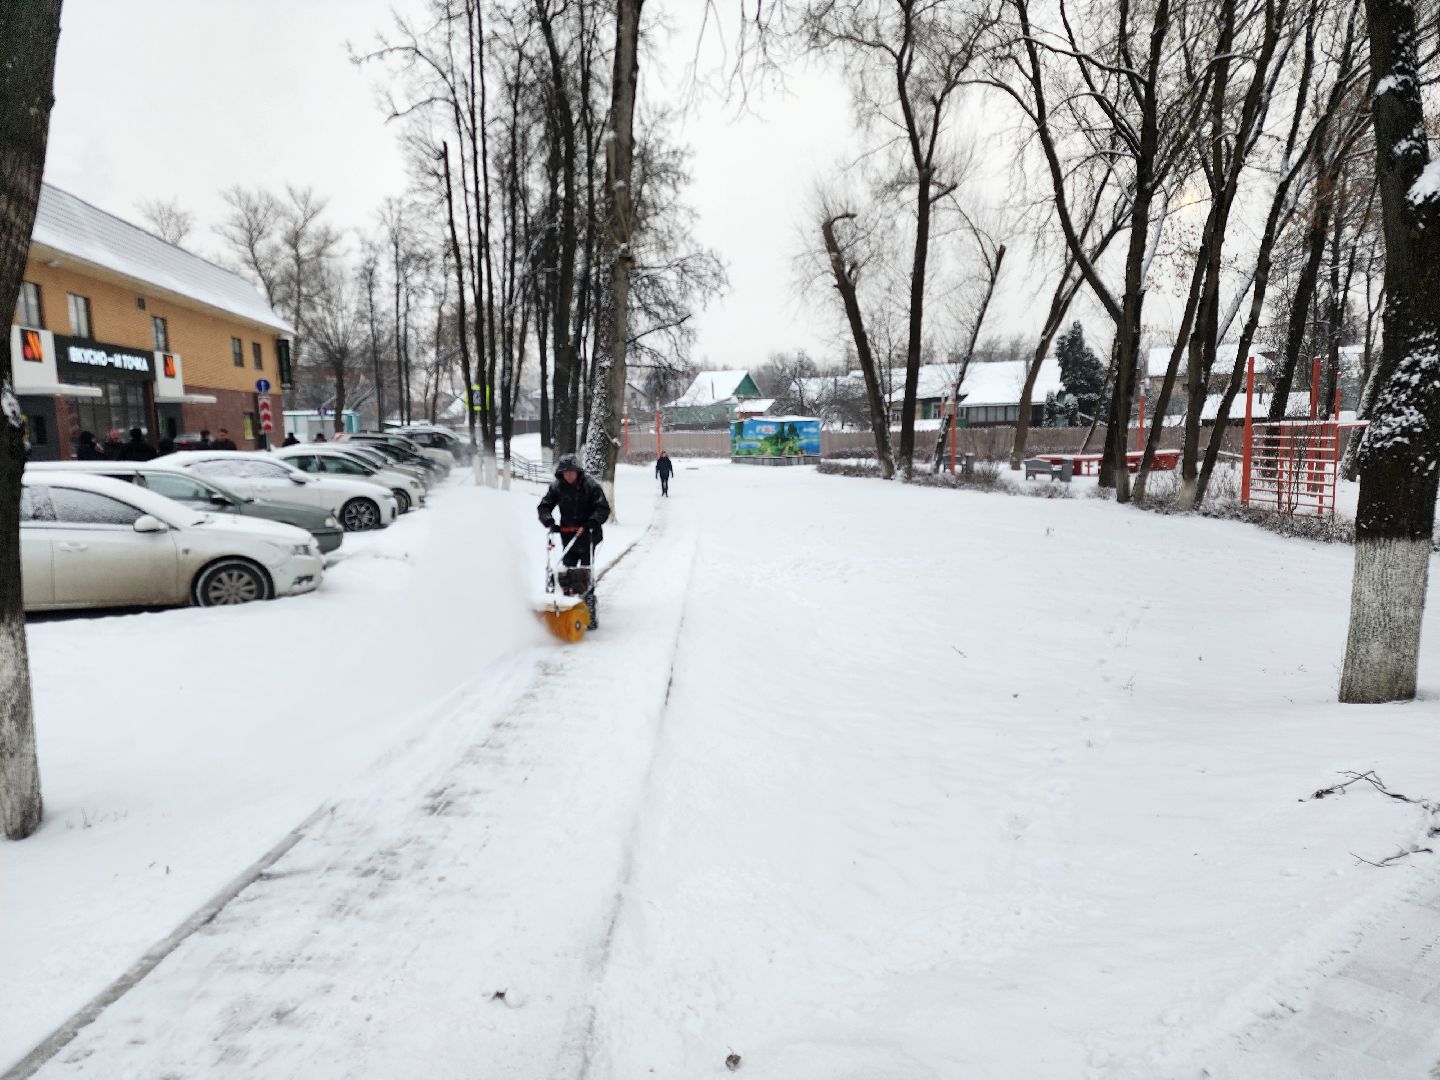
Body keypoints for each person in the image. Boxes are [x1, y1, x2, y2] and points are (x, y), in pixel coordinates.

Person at [537, 453, 611, 630]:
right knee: (567, 569)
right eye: (565, 473)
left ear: (578, 472)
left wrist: (593, 521)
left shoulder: (590, 486)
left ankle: (588, 605)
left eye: (572, 472)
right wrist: (549, 521)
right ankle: (566, 603)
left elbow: (603, 508)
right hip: (567, 533)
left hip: (588, 534)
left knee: (584, 571)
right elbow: (544, 505)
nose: (569, 476)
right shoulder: (558, 487)